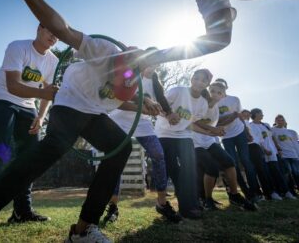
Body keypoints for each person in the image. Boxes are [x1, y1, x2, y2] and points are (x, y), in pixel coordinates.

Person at [0, 0, 162, 242]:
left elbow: (114, 98)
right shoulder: (105, 50)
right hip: (69, 104)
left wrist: (143, 103)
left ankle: (83, 230)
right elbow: (62, 28)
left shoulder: (132, 82)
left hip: (93, 112)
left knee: (120, 147)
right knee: (38, 158)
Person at [0, 23, 59, 239]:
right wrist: (44, 95)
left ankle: (22, 211)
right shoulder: (18, 47)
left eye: (58, 35)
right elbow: (13, 86)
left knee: (30, 159)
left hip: (29, 107)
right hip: (1, 99)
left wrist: (40, 116)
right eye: (50, 31)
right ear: (39, 28)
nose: (54, 36)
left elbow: (48, 92)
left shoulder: (53, 60)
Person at [104, 63, 182, 224]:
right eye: (150, 59)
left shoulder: (155, 84)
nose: (153, 63)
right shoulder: (129, 74)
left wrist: (169, 114)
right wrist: (143, 102)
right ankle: (113, 206)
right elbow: (116, 91)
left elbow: (160, 104)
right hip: (120, 120)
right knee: (115, 160)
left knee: (158, 154)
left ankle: (162, 203)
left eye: (157, 61)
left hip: (143, 123)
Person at [154, 69, 215, 219]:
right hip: (165, 133)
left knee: (189, 169)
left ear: (207, 84)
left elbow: (190, 124)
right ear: (192, 79)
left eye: (204, 80)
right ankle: (162, 203)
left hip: (184, 136)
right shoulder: (177, 91)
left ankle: (189, 207)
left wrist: (208, 132)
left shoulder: (202, 104)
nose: (199, 82)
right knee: (171, 168)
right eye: (197, 78)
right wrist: (169, 114)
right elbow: (159, 106)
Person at [192, 82, 256, 211]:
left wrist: (219, 129)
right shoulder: (199, 104)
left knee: (230, 162)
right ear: (208, 91)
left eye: (219, 92)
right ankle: (207, 200)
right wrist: (211, 130)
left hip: (209, 141)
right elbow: (192, 123)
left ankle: (234, 195)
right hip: (193, 141)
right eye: (212, 91)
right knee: (211, 168)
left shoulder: (216, 110)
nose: (215, 94)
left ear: (223, 96)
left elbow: (214, 125)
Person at [215, 78, 261, 202]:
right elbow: (215, 122)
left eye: (222, 85)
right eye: (217, 86)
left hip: (239, 132)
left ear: (226, 87)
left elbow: (240, 117)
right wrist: (230, 117)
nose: (220, 87)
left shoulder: (234, 99)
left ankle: (255, 192)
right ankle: (246, 193)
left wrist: (246, 131)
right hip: (226, 137)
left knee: (246, 161)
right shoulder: (212, 103)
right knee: (233, 164)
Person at [249, 109, 296, 199]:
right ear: (256, 114)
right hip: (263, 153)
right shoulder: (251, 126)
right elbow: (256, 140)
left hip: (273, 152)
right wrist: (264, 149)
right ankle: (271, 193)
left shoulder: (265, 125)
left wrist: (278, 149)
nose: (263, 115)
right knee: (266, 173)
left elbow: (272, 137)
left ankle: (285, 191)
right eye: (261, 113)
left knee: (278, 172)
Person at [272, 115, 299, 194]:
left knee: (297, 173)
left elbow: (295, 144)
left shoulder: (291, 132)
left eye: (282, 120)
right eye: (278, 120)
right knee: (287, 173)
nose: (280, 122)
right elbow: (272, 141)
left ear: (284, 121)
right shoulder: (272, 130)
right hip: (283, 155)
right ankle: (290, 190)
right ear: (275, 121)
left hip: (294, 155)